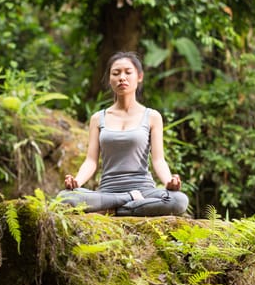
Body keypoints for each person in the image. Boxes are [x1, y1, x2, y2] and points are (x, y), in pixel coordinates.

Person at [58, 51, 188, 216]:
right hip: (107, 192)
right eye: (116, 73)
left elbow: (158, 160)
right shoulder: (98, 118)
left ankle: (113, 209)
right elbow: (91, 161)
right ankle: (128, 200)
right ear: (109, 79)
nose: (122, 77)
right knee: (65, 197)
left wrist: (169, 182)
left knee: (178, 200)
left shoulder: (152, 117)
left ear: (139, 77)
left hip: (144, 191)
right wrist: (77, 181)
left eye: (128, 72)